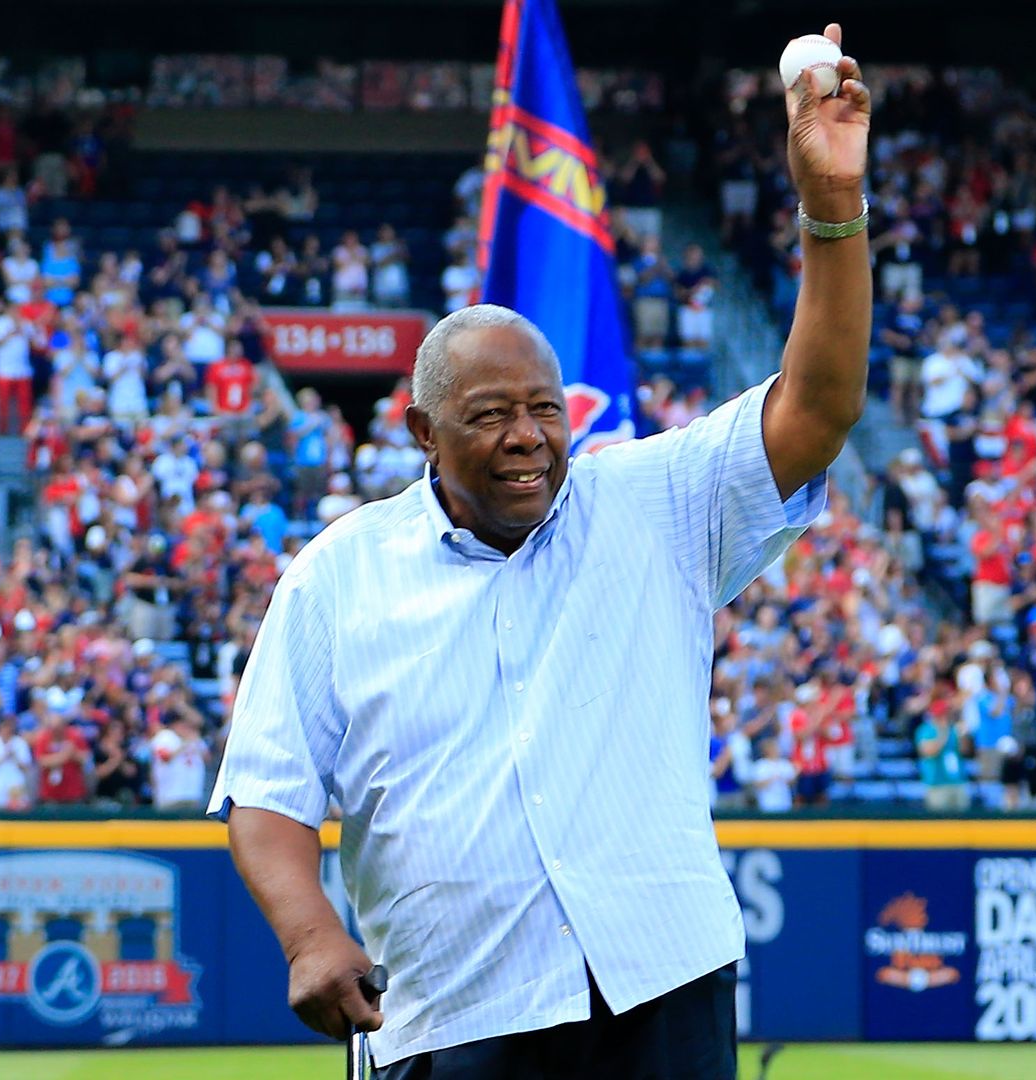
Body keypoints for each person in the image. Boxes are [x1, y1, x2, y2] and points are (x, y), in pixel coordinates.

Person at [210, 32, 870, 1079]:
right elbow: (266, 796)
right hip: (455, 1006)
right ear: (422, 435)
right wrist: (311, 935)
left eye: (543, 409)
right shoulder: (338, 575)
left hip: (661, 988)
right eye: (490, 415)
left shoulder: (650, 501)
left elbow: (821, 403)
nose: (528, 436)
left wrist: (831, 208)